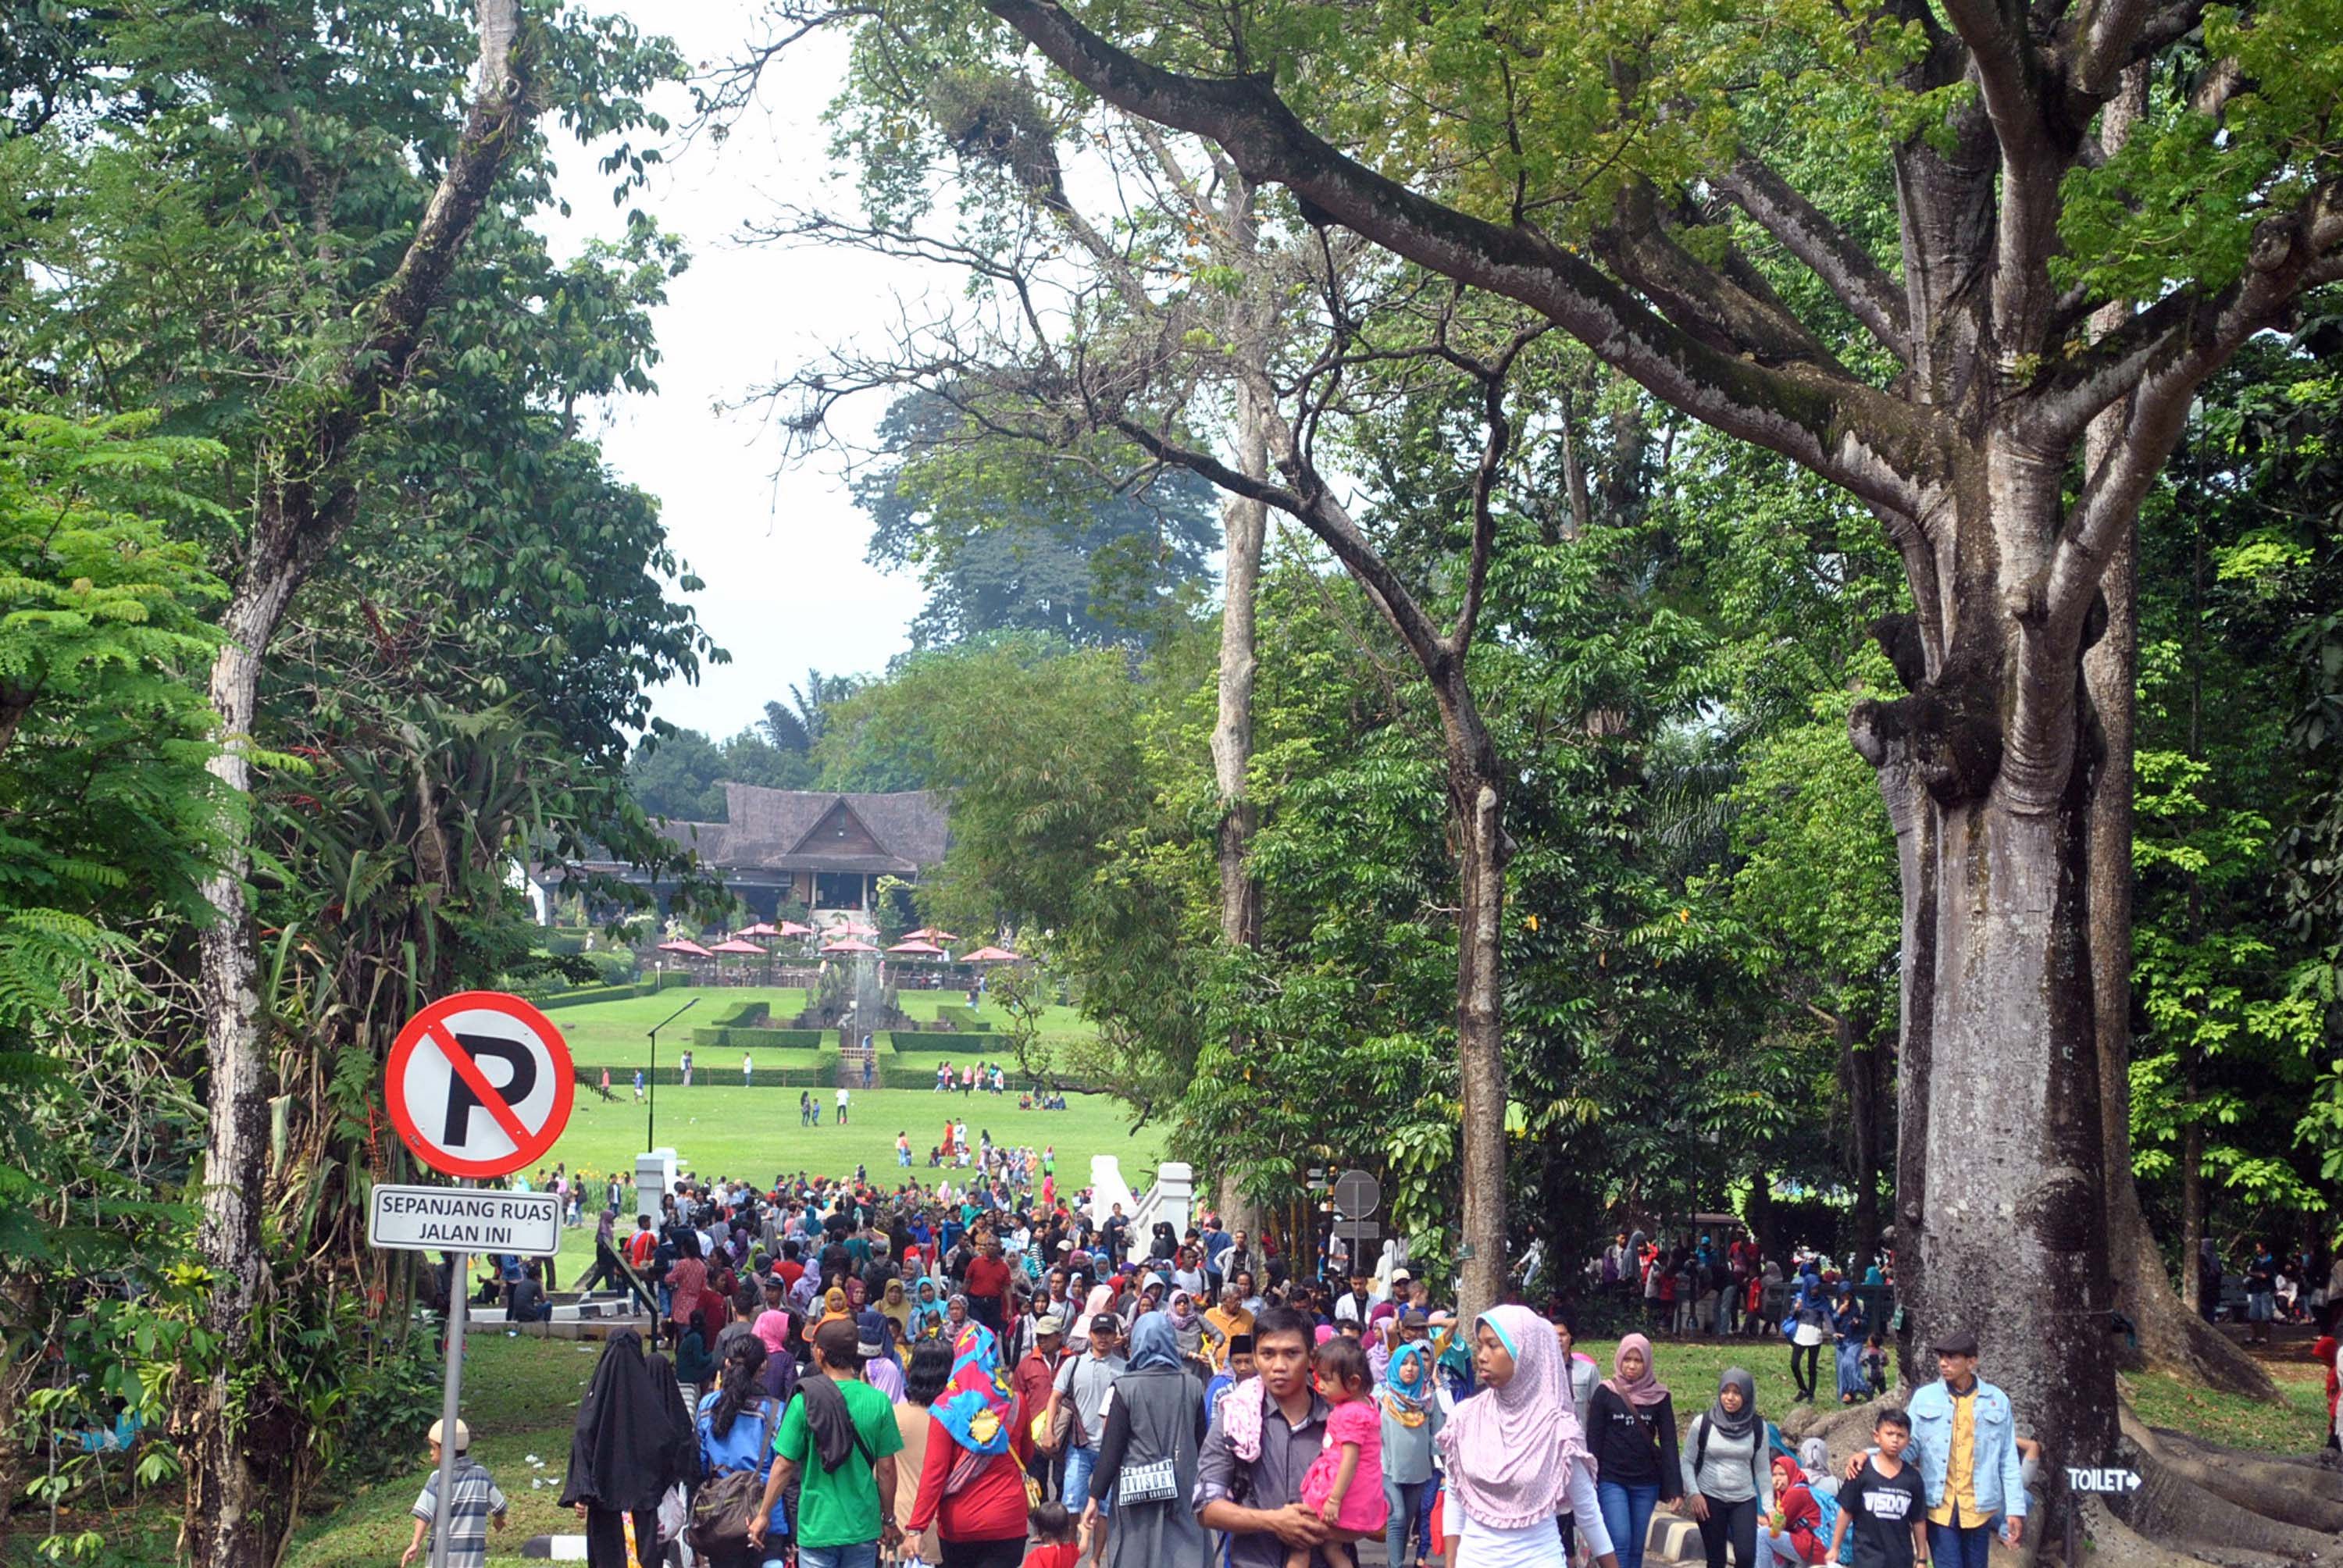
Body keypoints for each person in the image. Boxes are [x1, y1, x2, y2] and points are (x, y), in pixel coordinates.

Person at [1433, 1304, 1617, 1568]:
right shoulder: (1465, 1418)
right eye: (1480, 1345)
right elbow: (1455, 1495)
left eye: (1493, 1346)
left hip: (1538, 1559)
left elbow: (1587, 1511)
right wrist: (1451, 1563)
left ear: (1526, 1352)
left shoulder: (1558, 1430)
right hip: (1474, 1560)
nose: (1482, 1356)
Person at [747, 1318, 907, 1568]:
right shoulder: (879, 1401)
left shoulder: (804, 1401)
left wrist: (763, 1515)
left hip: (818, 1525)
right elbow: (886, 1469)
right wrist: (888, 1519)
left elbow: (783, 1465)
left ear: (820, 1353)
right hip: (862, 1525)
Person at [1196, 1306, 1334, 1568]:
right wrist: (1273, 1521)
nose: (1279, 1366)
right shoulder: (1236, 1420)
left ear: (1311, 1357)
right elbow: (1206, 1507)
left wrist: (1319, 1528)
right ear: (1256, 1359)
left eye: (1292, 1353)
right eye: (1268, 1354)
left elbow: (1374, 1517)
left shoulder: (1339, 1422)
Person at [1086, 1310, 1211, 1568]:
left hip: (1138, 1487)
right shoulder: (1193, 1386)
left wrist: (1094, 1497)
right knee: (1184, 1551)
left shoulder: (1124, 1388)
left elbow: (1112, 1448)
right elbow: (1203, 1444)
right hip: (1184, 1483)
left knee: (1136, 1552)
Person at [906, 1320, 1034, 1568]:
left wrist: (916, 1527)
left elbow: (934, 1473)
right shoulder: (1016, 1402)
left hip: (960, 1525)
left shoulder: (946, 1408)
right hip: (1008, 1522)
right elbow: (1027, 1455)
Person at [561, 1328, 690, 1568]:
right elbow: (669, 1446)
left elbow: (583, 1440)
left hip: (603, 1510)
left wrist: (582, 1492)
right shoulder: (652, 1409)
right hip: (643, 1509)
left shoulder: (594, 1404)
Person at [1902, 1330, 2024, 1568]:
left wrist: (2015, 1509)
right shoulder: (1925, 1397)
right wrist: (1871, 1456)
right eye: (1940, 1358)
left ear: (1971, 1361)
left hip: (1979, 1507)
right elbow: (1906, 1445)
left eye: (1951, 1357)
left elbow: (2008, 1458)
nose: (1943, 1363)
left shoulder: (1996, 1400)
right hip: (1939, 1506)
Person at [1289, 1335, 1383, 1568]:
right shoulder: (1366, 1405)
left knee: (1301, 1534)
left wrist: (1334, 1499)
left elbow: (1350, 1460)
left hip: (1347, 1493)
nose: (1319, 1385)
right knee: (1332, 1547)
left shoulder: (1350, 1414)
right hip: (1364, 1491)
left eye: (1327, 1380)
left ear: (1352, 1382)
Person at [1585, 1332, 1679, 1568]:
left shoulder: (1660, 1397)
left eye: (1638, 1361)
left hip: (1646, 1482)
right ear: (1619, 1359)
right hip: (1611, 1479)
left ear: (1647, 1363)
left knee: (1637, 1547)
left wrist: (1675, 1488)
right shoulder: (1606, 1393)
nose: (1632, 1366)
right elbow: (1593, 1440)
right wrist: (1588, 1481)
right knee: (1620, 1541)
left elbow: (1668, 1442)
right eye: (1627, 1360)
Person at [697, 1337, 790, 1568]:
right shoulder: (776, 1411)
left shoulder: (707, 1405)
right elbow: (786, 1467)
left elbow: (700, 1462)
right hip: (768, 1518)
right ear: (763, 1367)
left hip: (720, 1516)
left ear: (726, 1363)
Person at [1046, 1312, 1126, 1549]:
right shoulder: (1074, 1364)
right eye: (1098, 1333)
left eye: (1108, 1333)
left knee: (1105, 1509)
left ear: (1115, 1336)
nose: (1103, 1337)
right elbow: (1055, 1398)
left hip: (1111, 1450)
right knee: (1071, 1503)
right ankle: (1071, 1552)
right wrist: (1049, 1430)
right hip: (1078, 1446)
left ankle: (1094, 1560)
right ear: (1090, 1335)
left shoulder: (1124, 1369)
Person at [1679, 1367, 1774, 1568]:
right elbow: (1687, 1461)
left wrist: (1769, 1507)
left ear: (1747, 1395)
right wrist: (1694, 1494)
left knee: (1746, 1556)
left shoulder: (1758, 1427)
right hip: (1709, 1499)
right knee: (1716, 1560)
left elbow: (1763, 1469)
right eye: (1725, 1391)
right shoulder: (1703, 1423)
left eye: (1737, 1392)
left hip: (1744, 1499)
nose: (1730, 1398)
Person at [401, 1418, 508, 1568]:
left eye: (433, 1448)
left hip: (442, 1560)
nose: (431, 1453)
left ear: (445, 1449)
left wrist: (415, 1543)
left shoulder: (438, 1479)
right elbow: (500, 1506)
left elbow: (423, 1515)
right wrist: (499, 1520)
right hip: (472, 1561)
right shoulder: (481, 1475)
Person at [1828, 1409, 1928, 1568]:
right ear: (1876, 1436)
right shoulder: (1860, 1471)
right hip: (1866, 1557)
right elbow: (1846, 1511)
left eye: (1901, 1435)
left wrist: (1922, 1559)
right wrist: (1835, 1547)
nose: (1895, 1440)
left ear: (1908, 1441)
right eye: (1889, 1433)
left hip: (1900, 1558)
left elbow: (1918, 1520)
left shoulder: (1912, 1478)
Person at [1378, 1340, 1443, 1568]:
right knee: (1397, 1517)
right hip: (1387, 1467)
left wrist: (1445, 1466)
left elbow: (1439, 1435)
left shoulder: (1428, 1398)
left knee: (1406, 1524)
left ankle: (1393, 1562)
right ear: (1395, 1366)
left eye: (1415, 1364)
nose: (1410, 1368)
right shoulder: (1382, 1396)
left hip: (1419, 1470)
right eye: (1404, 1363)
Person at [1758, 1453, 1827, 1568]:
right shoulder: (1789, 1492)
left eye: (1782, 1474)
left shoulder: (1796, 1494)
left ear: (1791, 1473)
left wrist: (1752, 1517)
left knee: (1763, 1535)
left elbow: (1776, 1527)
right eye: (1774, 1475)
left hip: (1814, 1547)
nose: (1777, 1479)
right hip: (1809, 1544)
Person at [1786, 1276, 1830, 1403]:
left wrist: (1834, 1333)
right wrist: (1796, 1309)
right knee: (1794, 1364)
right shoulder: (1801, 1299)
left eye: (1817, 1287)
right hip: (1802, 1333)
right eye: (1813, 1288)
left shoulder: (1822, 1300)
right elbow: (1792, 1316)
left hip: (1815, 1334)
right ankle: (1803, 1389)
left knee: (1812, 1366)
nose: (1815, 1290)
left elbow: (1827, 1317)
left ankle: (1811, 1394)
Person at [1025, 1501, 1082, 1568]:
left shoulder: (1037, 1556)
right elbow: (1082, 1549)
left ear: (1039, 1529)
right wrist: (1085, 1533)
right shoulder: (1069, 1550)